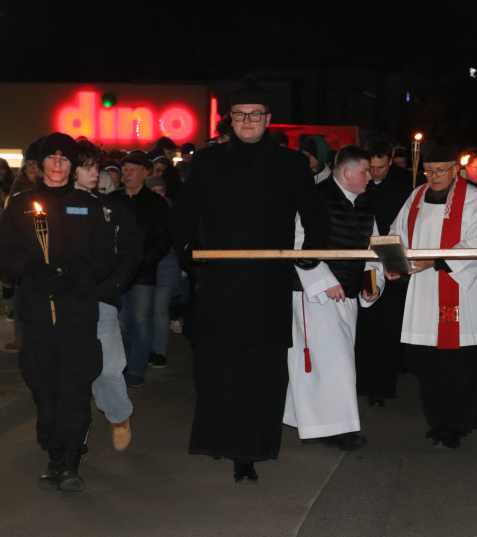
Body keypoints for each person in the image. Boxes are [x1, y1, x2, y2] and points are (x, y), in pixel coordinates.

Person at [171, 80, 329, 484]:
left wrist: (309, 253)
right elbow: (184, 215)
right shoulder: (206, 163)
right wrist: (192, 255)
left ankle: (251, 451)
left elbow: (316, 219)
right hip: (219, 283)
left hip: (268, 284)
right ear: (231, 119)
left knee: (262, 370)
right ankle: (216, 439)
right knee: (218, 365)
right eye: (240, 115)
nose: (248, 121)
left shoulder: (292, 164)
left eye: (255, 115)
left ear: (268, 120)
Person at [0, 132, 116, 492]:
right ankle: (52, 451)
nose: (58, 165)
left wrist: (76, 275)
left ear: (73, 165)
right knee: (44, 382)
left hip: (76, 307)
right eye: (51, 158)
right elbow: (3, 254)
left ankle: (70, 456)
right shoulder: (21, 205)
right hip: (37, 308)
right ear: (40, 164)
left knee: (74, 382)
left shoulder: (90, 206)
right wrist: (33, 269)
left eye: (65, 159)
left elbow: (105, 257)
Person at [387, 144, 477, 450]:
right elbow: (398, 233)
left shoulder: (476, 200)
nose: (433, 176)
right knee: (431, 363)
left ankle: (456, 425)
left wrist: (435, 261)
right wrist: (396, 262)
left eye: (440, 170)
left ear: (455, 171)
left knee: (459, 362)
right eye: (428, 170)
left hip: (461, 289)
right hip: (424, 290)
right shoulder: (416, 196)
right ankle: (437, 421)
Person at [284, 146, 384, 449]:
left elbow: (372, 252)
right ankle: (337, 429)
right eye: (366, 171)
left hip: (348, 295)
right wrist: (325, 280)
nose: (371, 177)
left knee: (330, 361)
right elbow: (299, 242)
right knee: (332, 363)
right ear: (347, 172)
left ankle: (305, 418)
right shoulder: (315, 197)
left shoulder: (364, 204)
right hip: (315, 295)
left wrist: (371, 285)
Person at [74, 139, 143, 452]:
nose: (95, 173)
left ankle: (119, 417)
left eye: (96, 166)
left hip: (102, 298)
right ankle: (73, 441)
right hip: (64, 300)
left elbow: (131, 249)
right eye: (87, 166)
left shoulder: (112, 209)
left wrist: (116, 283)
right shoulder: (52, 207)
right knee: (71, 373)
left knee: (108, 366)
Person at [356, 140, 413, 406]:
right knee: (366, 327)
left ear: (390, 161)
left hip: (393, 266)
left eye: (381, 167)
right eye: (372, 168)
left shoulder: (404, 189)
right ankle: (364, 383)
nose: (376, 173)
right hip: (366, 265)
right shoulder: (359, 186)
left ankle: (381, 387)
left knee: (388, 329)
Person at [113, 151, 170, 388]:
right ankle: (122, 367)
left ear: (145, 173)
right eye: (124, 170)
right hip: (117, 271)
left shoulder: (156, 203)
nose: (126, 174)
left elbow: (163, 239)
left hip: (143, 272)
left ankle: (136, 367)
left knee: (141, 320)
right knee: (122, 322)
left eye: (132, 170)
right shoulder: (114, 200)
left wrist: (142, 262)